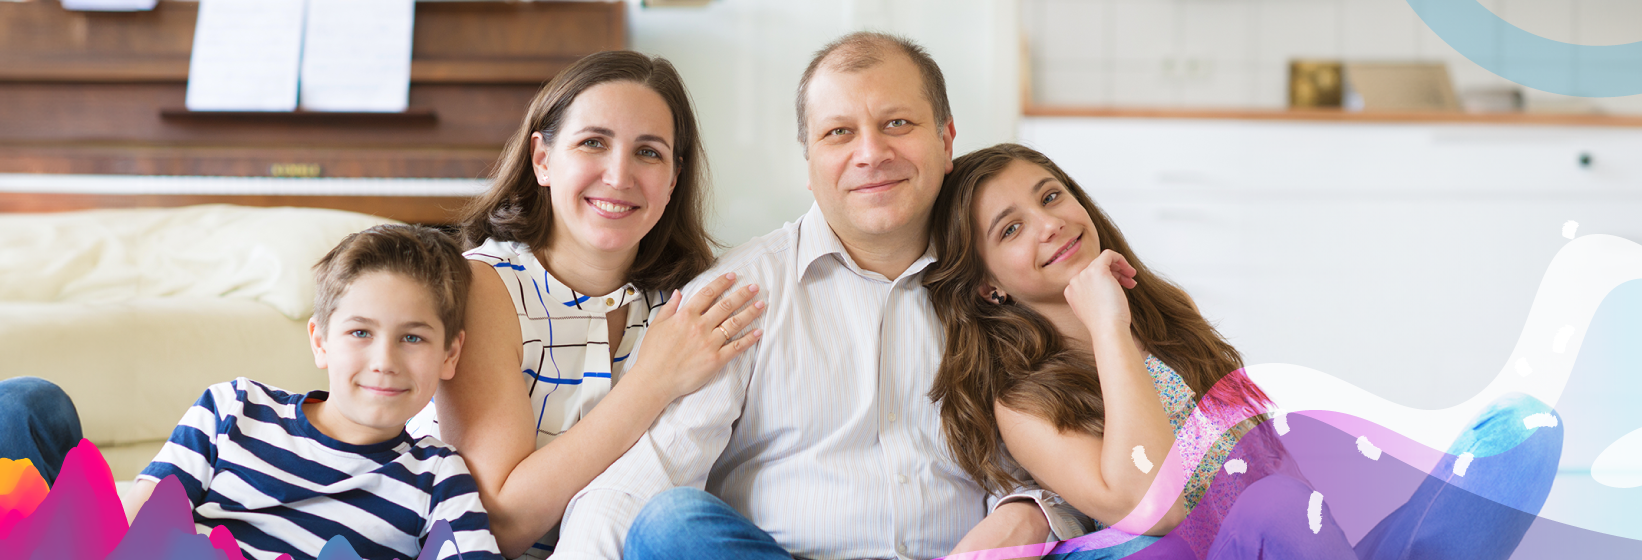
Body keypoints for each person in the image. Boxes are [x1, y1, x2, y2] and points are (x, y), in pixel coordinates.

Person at [550, 33, 1090, 560]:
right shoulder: (739, 293)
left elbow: (1085, 465)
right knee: (672, 523)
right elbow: (644, 478)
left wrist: (1033, 512)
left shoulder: (1000, 281)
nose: (871, 154)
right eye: (838, 133)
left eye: (896, 123)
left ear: (946, 140)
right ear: (808, 161)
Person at [924, 142, 1565, 559]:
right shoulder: (1023, 396)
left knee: (1521, 430)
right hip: (1185, 550)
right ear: (987, 286)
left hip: (1290, 537)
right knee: (1274, 505)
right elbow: (1149, 505)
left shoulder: (1166, 315)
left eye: (1051, 195)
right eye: (1011, 229)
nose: (1050, 222)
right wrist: (1106, 328)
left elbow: (1270, 457)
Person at [421, 50, 764, 559]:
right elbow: (500, 525)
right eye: (593, 143)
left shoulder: (686, 300)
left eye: (648, 152)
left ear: (672, 179)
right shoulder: (484, 287)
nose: (620, 175)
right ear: (542, 160)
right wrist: (652, 382)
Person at [119, 224, 502, 560]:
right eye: (361, 333)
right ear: (320, 342)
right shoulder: (233, 409)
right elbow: (132, 531)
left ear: (449, 355)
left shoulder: (437, 477)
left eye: (412, 337)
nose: (384, 361)